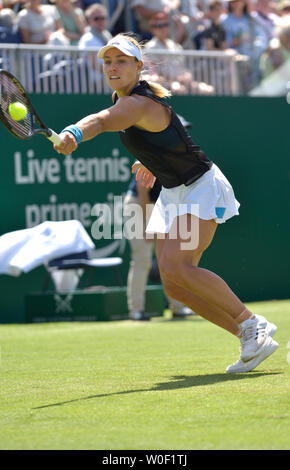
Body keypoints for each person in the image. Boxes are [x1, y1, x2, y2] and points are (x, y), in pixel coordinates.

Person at [53, 33, 279, 373]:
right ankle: (248, 335)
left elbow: (100, 121)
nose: (112, 68)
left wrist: (74, 132)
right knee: (174, 283)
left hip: (200, 187)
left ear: (138, 67)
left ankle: (251, 321)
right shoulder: (125, 98)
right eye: (107, 62)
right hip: (175, 192)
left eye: (121, 61)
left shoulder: (137, 103)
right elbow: (167, 138)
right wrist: (150, 163)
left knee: (177, 266)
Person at [124, 173, 195, 321]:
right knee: (142, 259)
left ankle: (178, 307)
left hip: (161, 206)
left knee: (169, 259)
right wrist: (149, 224)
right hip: (138, 205)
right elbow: (142, 189)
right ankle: (136, 310)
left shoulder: (173, 160)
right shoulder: (152, 155)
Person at [144, 12, 214, 95]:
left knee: (208, 90)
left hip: (184, 82)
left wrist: (187, 76)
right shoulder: (150, 48)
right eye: (159, 26)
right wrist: (176, 79)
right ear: (152, 29)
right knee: (178, 89)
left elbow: (184, 67)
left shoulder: (175, 46)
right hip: (165, 83)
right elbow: (154, 74)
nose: (163, 28)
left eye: (165, 24)